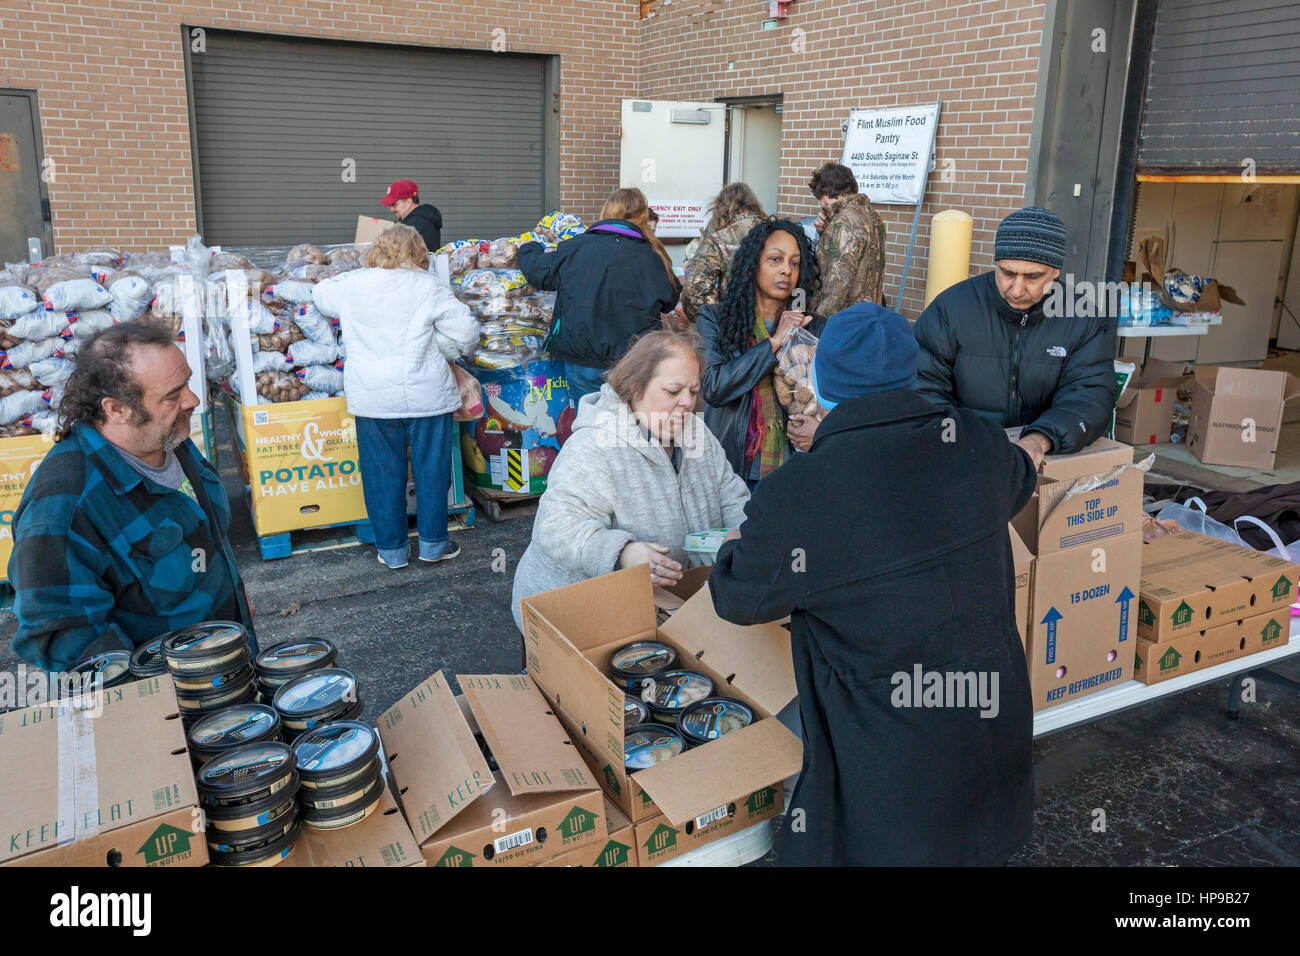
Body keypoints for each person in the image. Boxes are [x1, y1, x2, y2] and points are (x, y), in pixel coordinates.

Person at [707, 302, 1037, 866]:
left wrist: (739, 539)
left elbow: (739, 595)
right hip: (992, 723)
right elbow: (1021, 477)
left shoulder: (800, 493)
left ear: (823, 379)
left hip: (889, 755)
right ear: (909, 374)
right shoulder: (979, 442)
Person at [8, 322, 256, 672]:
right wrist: (152, 698)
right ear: (117, 410)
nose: (194, 401)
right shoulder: (63, 509)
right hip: (176, 700)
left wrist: (231, 595)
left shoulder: (164, 437)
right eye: (173, 394)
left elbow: (200, 537)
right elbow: (64, 638)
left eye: (186, 382)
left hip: (231, 663)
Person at [510, 330, 749, 631]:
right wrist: (622, 553)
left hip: (665, 601)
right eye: (673, 391)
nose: (687, 402)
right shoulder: (595, 445)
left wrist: (741, 532)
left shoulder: (697, 434)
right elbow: (557, 527)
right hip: (572, 612)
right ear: (636, 389)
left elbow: (731, 494)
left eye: (693, 390)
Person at [313, 224, 480, 569]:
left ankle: (392, 551)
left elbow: (320, 296)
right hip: (427, 395)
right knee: (431, 471)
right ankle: (434, 545)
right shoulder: (428, 286)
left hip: (373, 398)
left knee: (381, 473)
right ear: (419, 252)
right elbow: (466, 332)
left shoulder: (352, 284)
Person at [913, 206, 1116, 463]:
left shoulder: (1082, 317)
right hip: (959, 454)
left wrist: (1041, 438)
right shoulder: (951, 308)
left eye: (1033, 277)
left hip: (1042, 459)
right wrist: (955, 440)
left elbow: (1090, 396)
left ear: (1055, 272)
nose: (1017, 290)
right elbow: (922, 388)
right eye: (1007, 273)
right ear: (996, 263)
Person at [517, 187, 681, 401]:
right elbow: (670, 299)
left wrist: (529, 248)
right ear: (643, 217)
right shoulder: (653, 257)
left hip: (583, 361)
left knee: (591, 424)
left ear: (605, 213)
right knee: (630, 426)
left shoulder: (577, 247)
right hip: (634, 363)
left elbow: (539, 273)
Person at [697, 218, 824, 485]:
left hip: (791, 470)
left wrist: (820, 430)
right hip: (730, 467)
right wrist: (775, 342)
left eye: (795, 263)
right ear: (752, 264)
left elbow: (826, 401)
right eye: (775, 260)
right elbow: (715, 386)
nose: (786, 271)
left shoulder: (813, 327)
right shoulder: (715, 319)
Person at [680, 183, 768, 321]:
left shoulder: (720, 239)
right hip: (775, 322)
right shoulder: (776, 231)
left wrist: (712, 321)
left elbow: (695, 288)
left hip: (734, 323)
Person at [808, 162, 886, 316]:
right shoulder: (872, 215)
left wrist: (818, 323)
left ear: (833, 194)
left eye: (823, 202)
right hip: (869, 314)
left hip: (845, 319)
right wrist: (825, 233)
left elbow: (837, 286)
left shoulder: (843, 223)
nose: (821, 205)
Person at [381, 179, 442, 253]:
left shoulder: (415, 225)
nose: (391, 209)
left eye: (394, 204)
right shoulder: (423, 218)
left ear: (408, 202)